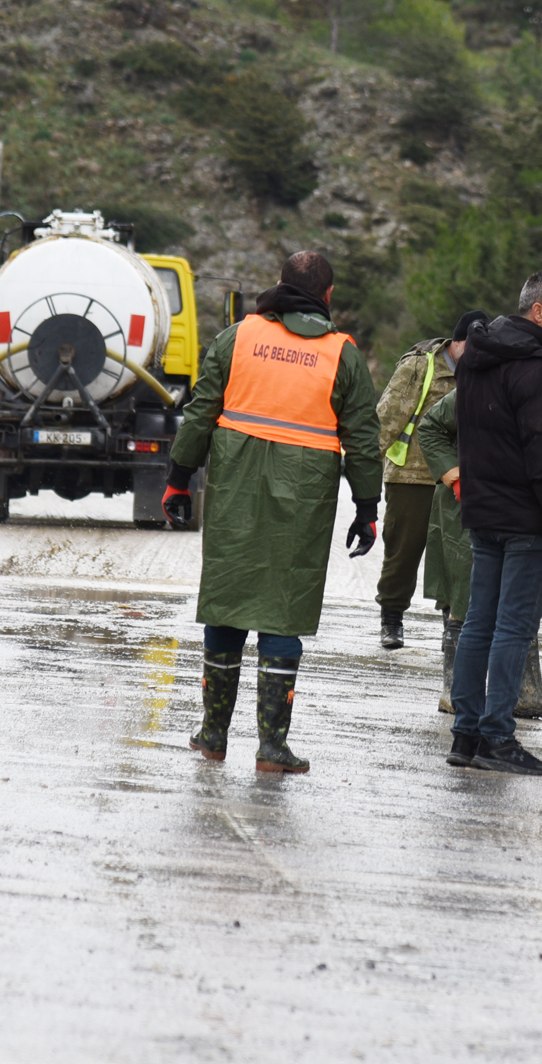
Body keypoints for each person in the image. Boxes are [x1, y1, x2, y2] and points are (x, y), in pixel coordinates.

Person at [163, 251, 383, 774]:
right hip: (304, 495)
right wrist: (367, 506)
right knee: (284, 607)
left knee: (228, 601)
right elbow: (364, 439)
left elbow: (201, 411)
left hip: (236, 487)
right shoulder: (342, 354)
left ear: (279, 286)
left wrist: (178, 478)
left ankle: (213, 735)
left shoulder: (237, 336)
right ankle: (272, 748)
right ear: (328, 297)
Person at [447, 271, 542, 776]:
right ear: (538, 312)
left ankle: (466, 735)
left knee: (477, 625)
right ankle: (497, 738)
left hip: (485, 515)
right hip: (528, 520)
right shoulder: (539, 368)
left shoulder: (476, 360)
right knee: (512, 627)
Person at [417, 360, 542, 721]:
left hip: (523, 513)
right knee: (466, 601)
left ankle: (526, 693)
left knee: (522, 603)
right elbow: (429, 428)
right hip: (469, 508)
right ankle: (455, 693)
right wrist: (455, 476)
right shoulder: (480, 387)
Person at [371, 314, 466, 649]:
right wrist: (365, 470)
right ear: (457, 342)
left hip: (455, 480)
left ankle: (452, 624)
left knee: (455, 557)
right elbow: (388, 416)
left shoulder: (481, 372)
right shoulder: (421, 367)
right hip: (411, 475)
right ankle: (392, 619)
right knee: (402, 553)